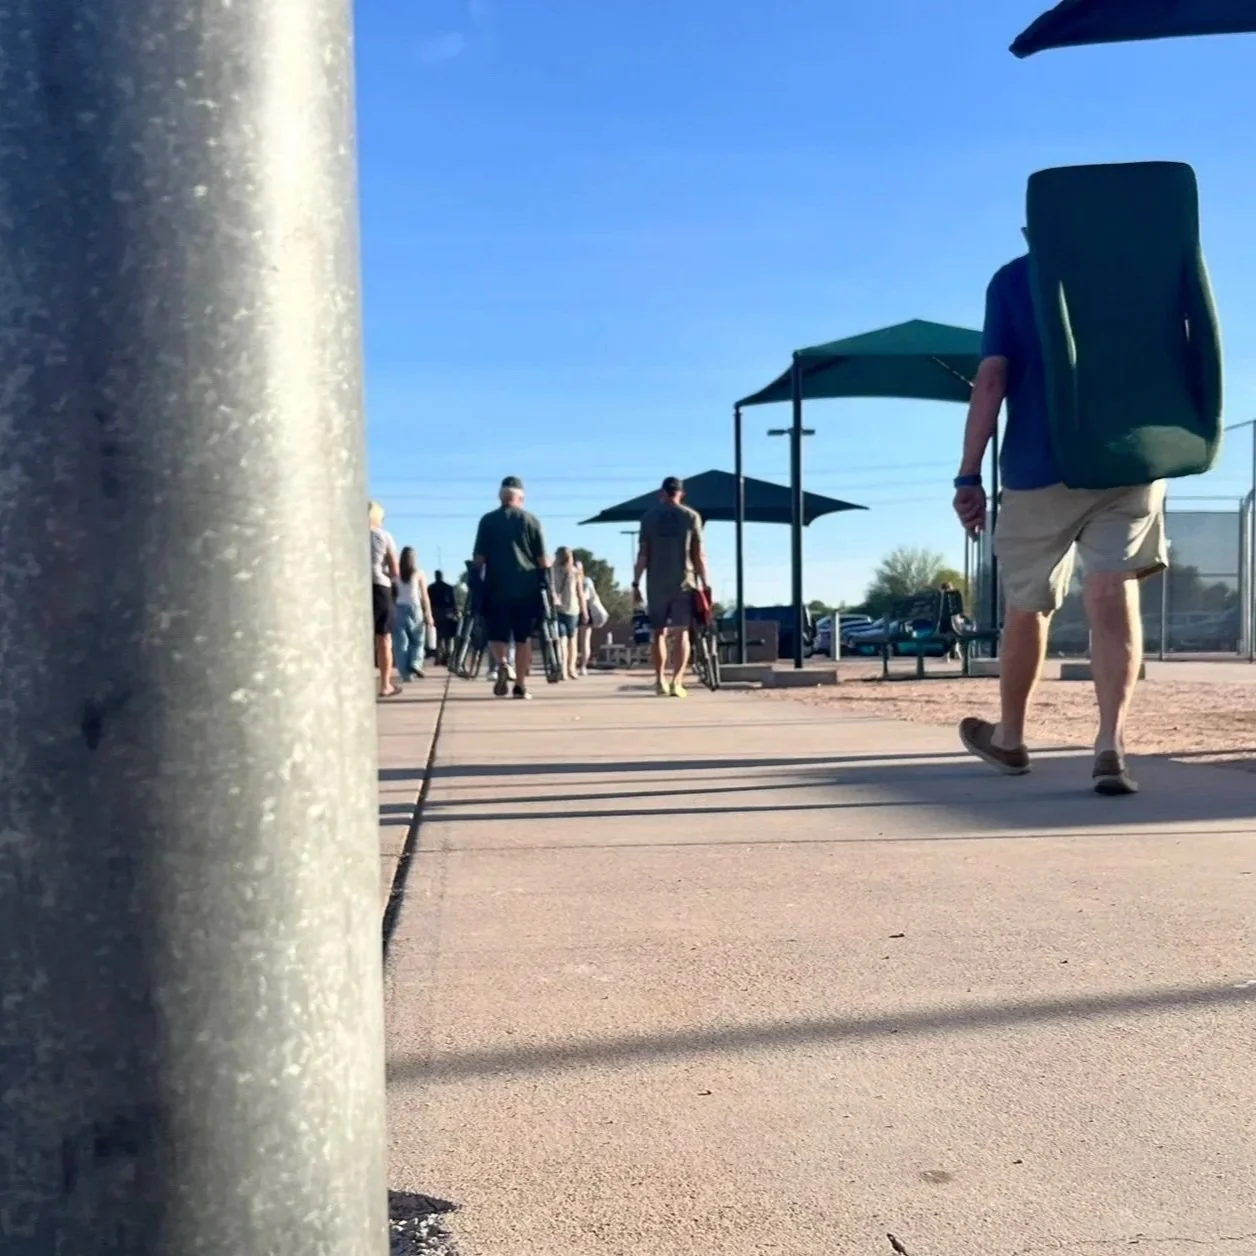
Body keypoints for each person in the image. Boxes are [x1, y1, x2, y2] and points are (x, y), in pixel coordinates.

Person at [954, 248, 1166, 796]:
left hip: (1037, 464)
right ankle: (1110, 746)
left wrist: (967, 475)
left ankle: (1012, 736)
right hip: (1129, 459)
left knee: (1027, 604)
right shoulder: (1136, 266)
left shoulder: (1015, 278)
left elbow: (992, 380)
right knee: (1111, 590)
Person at [472, 476, 549, 700]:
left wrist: (476, 584)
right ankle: (521, 685)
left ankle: (503, 663)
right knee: (523, 638)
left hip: (496, 587)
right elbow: (543, 560)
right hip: (527, 588)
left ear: (500, 496)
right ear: (521, 497)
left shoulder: (487, 521)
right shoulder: (532, 521)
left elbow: (479, 558)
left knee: (497, 635)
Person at [633, 476, 708, 698]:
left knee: (658, 633)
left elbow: (643, 555)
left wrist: (635, 582)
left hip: (656, 583)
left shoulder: (648, 518)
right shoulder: (692, 517)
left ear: (661, 493)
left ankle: (659, 680)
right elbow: (698, 554)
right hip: (684, 582)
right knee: (682, 632)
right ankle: (677, 681)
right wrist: (705, 581)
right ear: (681, 494)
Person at [368, 501, 401, 698]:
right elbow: (395, 569)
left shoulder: (352, 536)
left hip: (357, 588)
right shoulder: (384, 536)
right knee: (383, 638)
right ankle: (385, 684)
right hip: (380, 587)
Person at [393, 546, 435, 681]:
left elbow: (392, 595)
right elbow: (424, 596)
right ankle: (415, 663)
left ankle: (406, 674)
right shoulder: (418, 573)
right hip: (415, 608)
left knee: (401, 643)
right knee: (418, 641)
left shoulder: (395, 574)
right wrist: (429, 614)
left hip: (398, 609)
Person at [551, 547, 589, 680]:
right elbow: (580, 593)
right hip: (573, 609)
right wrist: (584, 611)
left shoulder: (552, 571)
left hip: (556, 608)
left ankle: (563, 670)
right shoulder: (575, 572)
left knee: (562, 640)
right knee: (572, 641)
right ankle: (571, 668)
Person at [427, 569, 460, 665]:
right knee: (448, 637)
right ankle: (448, 658)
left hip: (436, 613)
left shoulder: (431, 588)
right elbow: (453, 601)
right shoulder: (448, 587)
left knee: (439, 637)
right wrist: (456, 612)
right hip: (447, 613)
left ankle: (439, 657)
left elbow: (429, 602)